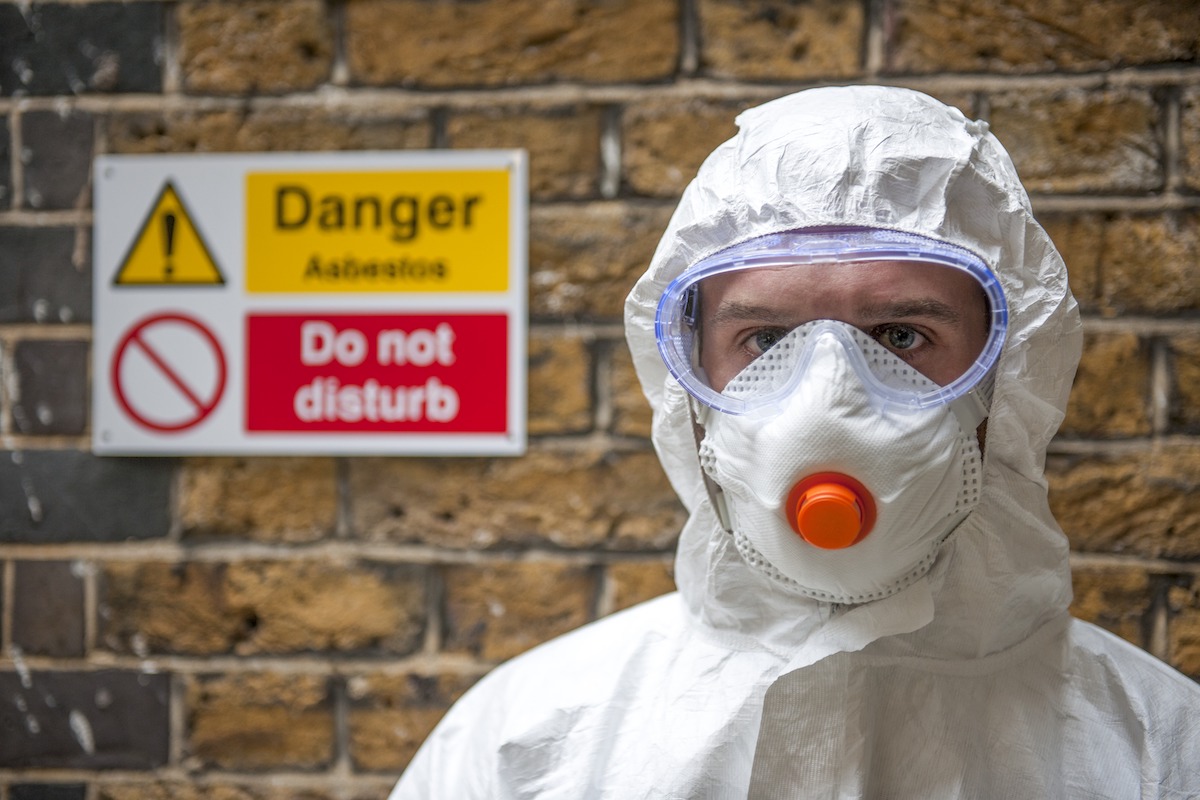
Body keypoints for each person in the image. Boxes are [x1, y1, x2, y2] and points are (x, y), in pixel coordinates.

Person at [389, 85, 1200, 798]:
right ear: (690, 383)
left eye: (902, 335)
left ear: (1008, 373)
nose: (826, 400)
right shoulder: (527, 745)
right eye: (765, 340)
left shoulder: (1159, 749)